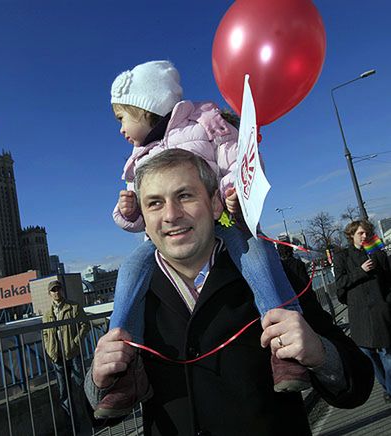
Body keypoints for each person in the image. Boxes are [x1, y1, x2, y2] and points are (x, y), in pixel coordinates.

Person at [85, 149, 373, 435]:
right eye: (155, 203)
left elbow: (357, 385)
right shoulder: (134, 297)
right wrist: (98, 382)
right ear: (144, 219)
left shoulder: (274, 277)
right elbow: (95, 416)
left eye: (185, 196)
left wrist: (320, 354)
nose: (171, 215)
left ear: (214, 204)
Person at [100, 60, 308, 418]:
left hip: (224, 219)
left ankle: (286, 344)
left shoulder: (204, 121)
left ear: (144, 108)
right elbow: (147, 222)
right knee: (132, 265)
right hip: (180, 234)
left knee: (257, 253)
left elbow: (236, 161)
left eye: (122, 118)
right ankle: (123, 365)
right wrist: (131, 211)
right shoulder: (139, 158)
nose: (120, 129)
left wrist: (230, 190)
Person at [334, 220, 391, 403]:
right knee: (369, 356)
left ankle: (390, 390)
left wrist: (387, 303)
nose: (364, 236)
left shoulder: (378, 254)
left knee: (387, 356)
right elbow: (340, 284)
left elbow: (388, 281)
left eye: (366, 233)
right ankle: (386, 386)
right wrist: (360, 271)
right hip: (360, 313)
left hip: (380, 311)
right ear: (351, 235)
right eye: (360, 233)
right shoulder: (342, 257)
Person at [42, 280, 90, 424]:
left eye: (58, 289)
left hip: (73, 353)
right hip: (57, 357)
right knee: (63, 392)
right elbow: (45, 333)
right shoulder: (47, 314)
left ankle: (90, 418)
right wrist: (49, 349)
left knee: (81, 386)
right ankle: (72, 424)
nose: (56, 292)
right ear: (49, 294)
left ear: (62, 290)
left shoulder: (73, 307)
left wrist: (76, 341)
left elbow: (85, 325)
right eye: (53, 290)